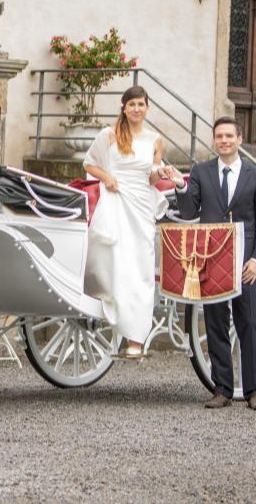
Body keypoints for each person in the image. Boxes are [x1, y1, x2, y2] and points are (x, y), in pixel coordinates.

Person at [164, 116, 256, 411]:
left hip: (245, 262)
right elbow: (189, 213)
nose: (224, 140)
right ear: (214, 141)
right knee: (215, 323)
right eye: (219, 136)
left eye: (229, 136)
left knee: (250, 322)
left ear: (239, 139)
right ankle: (222, 390)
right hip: (211, 260)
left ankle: (254, 391)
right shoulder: (201, 171)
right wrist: (180, 186)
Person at [82, 86, 168, 359]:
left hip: (141, 204)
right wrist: (106, 178)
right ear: (124, 107)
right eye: (131, 104)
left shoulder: (155, 140)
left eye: (141, 104)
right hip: (116, 199)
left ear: (147, 107)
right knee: (115, 259)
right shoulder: (109, 135)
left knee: (140, 265)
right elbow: (89, 164)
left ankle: (136, 338)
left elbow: (152, 177)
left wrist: (161, 172)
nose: (136, 109)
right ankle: (109, 312)